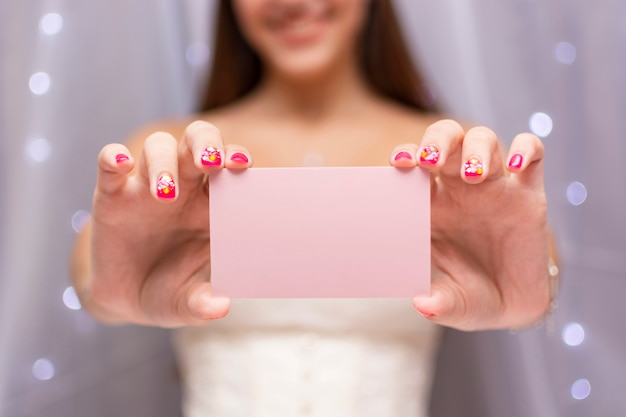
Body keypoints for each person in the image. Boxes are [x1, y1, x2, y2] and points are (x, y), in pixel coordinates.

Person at [71, 0, 555, 415]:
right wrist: (106, 292)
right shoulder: (169, 156)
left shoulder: (458, 159)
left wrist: (539, 293)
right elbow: (94, 282)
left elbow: (537, 276)